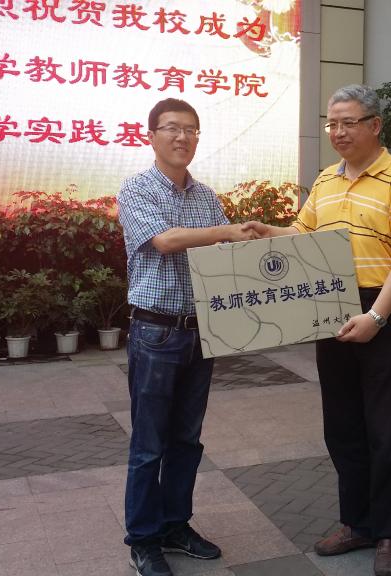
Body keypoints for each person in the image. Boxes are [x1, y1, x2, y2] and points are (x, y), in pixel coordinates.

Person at [244, 84, 391, 576]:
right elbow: (303, 236)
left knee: (384, 429)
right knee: (342, 426)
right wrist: (269, 233)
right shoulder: (326, 180)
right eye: (332, 123)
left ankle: (389, 534)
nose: (339, 132)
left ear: (375, 125)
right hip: (331, 308)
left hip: (384, 312)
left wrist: (376, 318)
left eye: (349, 122)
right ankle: (357, 524)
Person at [116, 98, 256, 576]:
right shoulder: (137, 189)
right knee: (149, 444)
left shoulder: (206, 197)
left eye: (191, 130)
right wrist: (225, 233)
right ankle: (143, 539)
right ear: (151, 135)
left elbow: (224, 258)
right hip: (156, 333)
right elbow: (165, 241)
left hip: (201, 331)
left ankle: (175, 525)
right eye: (172, 128)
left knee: (186, 440)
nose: (182, 137)